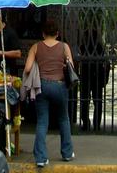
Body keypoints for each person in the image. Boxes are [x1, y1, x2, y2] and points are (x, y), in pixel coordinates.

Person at [24, 20, 75, 167]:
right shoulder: (64, 47)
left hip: (42, 86)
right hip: (60, 86)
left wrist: (38, 63)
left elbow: (27, 69)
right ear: (57, 33)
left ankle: (41, 157)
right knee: (63, 119)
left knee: (42, 121)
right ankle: (67, 153)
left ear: (43, 33)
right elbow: (70, 66)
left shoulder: (36, 47)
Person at [79, 27, 109, 132]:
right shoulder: (100, 47)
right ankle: (96, 124)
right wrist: (105, 78)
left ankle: (86, 123)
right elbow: (107, 63)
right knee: (97, 102)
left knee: (85, 101)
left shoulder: (83, 47)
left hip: (87, 76)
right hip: (97, 77)